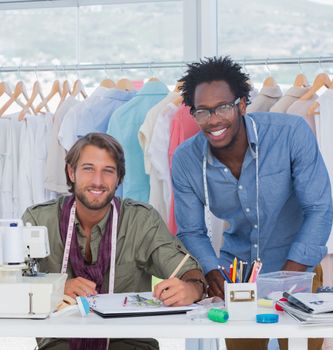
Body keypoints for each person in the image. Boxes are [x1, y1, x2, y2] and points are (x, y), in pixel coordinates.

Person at [172, 56, 333, 350]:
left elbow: (318, 208)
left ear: (242, 104)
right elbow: (191, 230)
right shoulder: (185, 160)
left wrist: (291, 275)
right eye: (203, 111)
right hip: (237, 278)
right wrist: (211, 270)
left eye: (223, 107)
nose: (214, 119)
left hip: (299, 267)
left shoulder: (290, 134)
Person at [22, 132, 206, 350]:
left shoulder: (141, 220)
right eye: (88, 169)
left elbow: (189, 272)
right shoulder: (38, 221)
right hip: (59, 342)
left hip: (128, 342)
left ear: (119, 177)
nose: (97, 181)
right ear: (71, 172)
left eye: (108, 171)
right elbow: (9, 285)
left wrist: (191, 289)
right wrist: (54, 289)